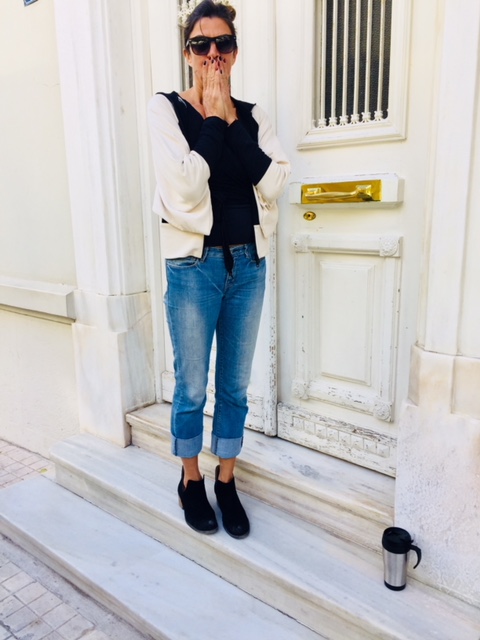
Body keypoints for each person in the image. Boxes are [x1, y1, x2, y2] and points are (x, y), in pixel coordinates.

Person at [147, 0, 290, 539]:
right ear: (188, 53)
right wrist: (209, 118)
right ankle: (191, 480)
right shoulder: (166, 110)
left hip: (248, 266)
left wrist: (230, 121)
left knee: (234, 387)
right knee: (190, 386)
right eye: (201, 44)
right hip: (193, 267)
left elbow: (274, 182)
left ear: (235, 51)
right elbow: (184, 186)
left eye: (222, 43)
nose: (213, 53)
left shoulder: (253, 117)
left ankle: (226, 480)